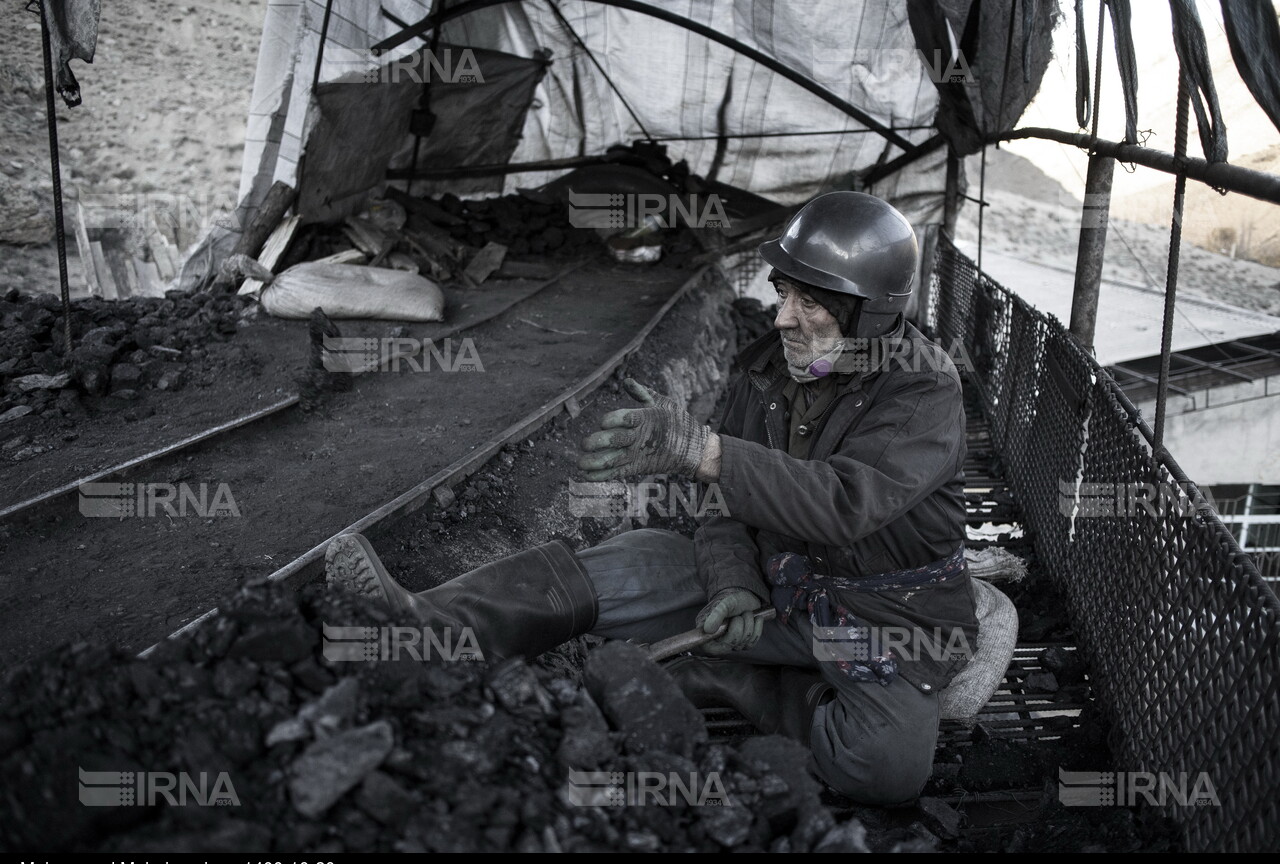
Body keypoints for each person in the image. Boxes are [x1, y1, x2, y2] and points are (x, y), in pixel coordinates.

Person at [327, 191, 982, 804]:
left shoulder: (922, 391)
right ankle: (421, 625)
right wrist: (735, 579)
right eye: (783, 292)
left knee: (886, 765)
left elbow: (845, 504)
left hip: (879, 616)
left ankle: (745, 685)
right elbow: (728, 508)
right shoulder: (767, 368)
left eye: (811, 303)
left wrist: (706, 451)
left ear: (871, 312)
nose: (783, 317)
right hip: (776, 585)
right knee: (633, 560)